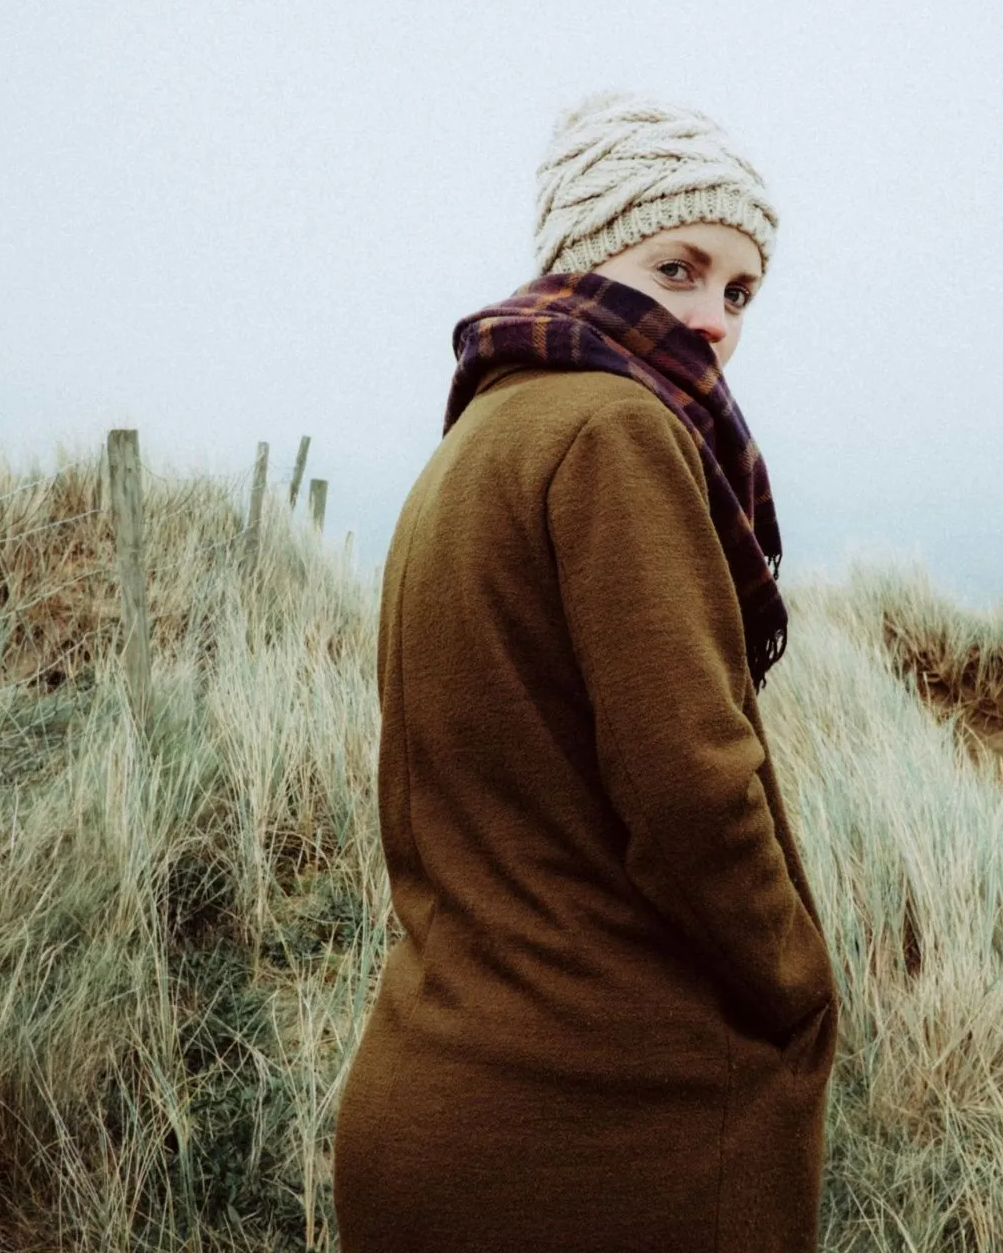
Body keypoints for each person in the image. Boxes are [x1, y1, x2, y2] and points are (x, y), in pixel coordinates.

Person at [331, 90, 839, 1253]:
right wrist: (798, 982)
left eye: (741, 289)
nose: (713, 317)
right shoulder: (616, 430)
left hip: (432, 1100)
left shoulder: (472, 442)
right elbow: (691, 786)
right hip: (599, 1141)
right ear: (583, 257)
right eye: (679, 265)